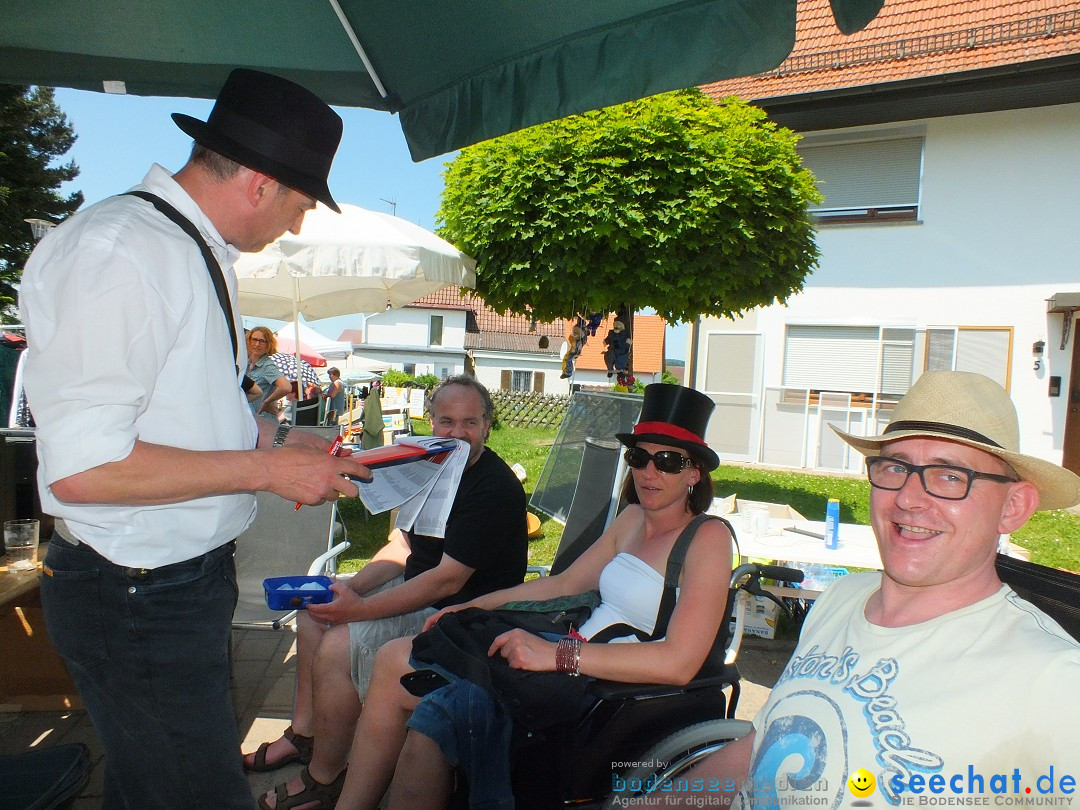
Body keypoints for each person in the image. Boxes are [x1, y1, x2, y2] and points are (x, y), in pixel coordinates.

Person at [19, 68, 375, 809]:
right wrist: (262, 472)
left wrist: (272, 441)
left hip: (167, 585)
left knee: (154, 786)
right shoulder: (125, 253)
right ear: (260, 184)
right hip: (134, 593)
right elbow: (83, 472)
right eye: (301, 205)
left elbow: (174, 412)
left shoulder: (185, 247)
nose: (297, 225)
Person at [662, 371, 1080, 808]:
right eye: (896, 467)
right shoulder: (841, 600)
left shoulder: (1054, 681)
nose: (908, 498)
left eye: (951, 476)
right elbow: (760, 747)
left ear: (1014, 507)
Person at [328, 383, 735, 810]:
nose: (649, 472)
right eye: (639, 457)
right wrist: (475, 604)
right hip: (568, 659)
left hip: (610, 691)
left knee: (425, 696)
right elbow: (562, 584)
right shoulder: (632, 518)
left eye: (668, 461)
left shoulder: (707, 538)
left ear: (695, 473)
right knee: (422, 700)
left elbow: (679, 662)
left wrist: (557, 656)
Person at [251, 375, 530, 809]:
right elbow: (404, 545)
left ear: (488, 425)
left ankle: (326, 777)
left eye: (470, 422)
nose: (457, 433)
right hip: (424, 588)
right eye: (447, 421)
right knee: (313, 615)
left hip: (463, 611)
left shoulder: (492, 489)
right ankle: (305, 735)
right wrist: (349, 587)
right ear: (431, 421)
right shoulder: (433, 466)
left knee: (338, 643)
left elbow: (446, 580)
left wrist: (358, 611)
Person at [248, 325, 291, 416]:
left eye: (262, 341)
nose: (257, 344)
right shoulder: (246, 363)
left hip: (262, 421)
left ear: (268, 344)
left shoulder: (267, 366)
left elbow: (286, 387)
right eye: (254, 339)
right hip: (249, 417)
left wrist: (266, 402)